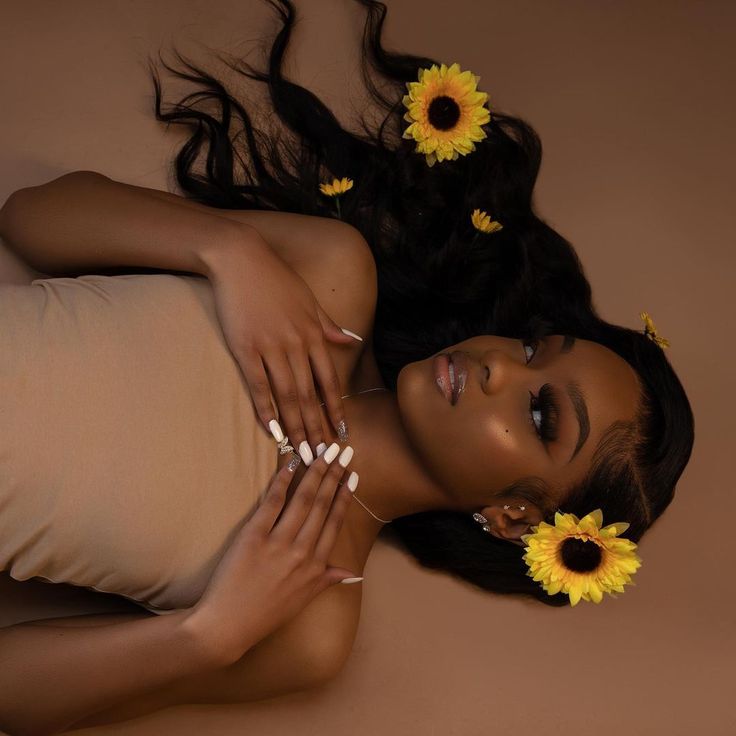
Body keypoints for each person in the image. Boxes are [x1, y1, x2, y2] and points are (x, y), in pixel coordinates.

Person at [0, 0, 694, 732]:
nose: (499, 368)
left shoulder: (312, 617)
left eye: (540, 414)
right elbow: (28, 214)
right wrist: (226, 251)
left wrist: (206, 639)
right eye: (530, 350)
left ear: (516, 517)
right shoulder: (330, 277)